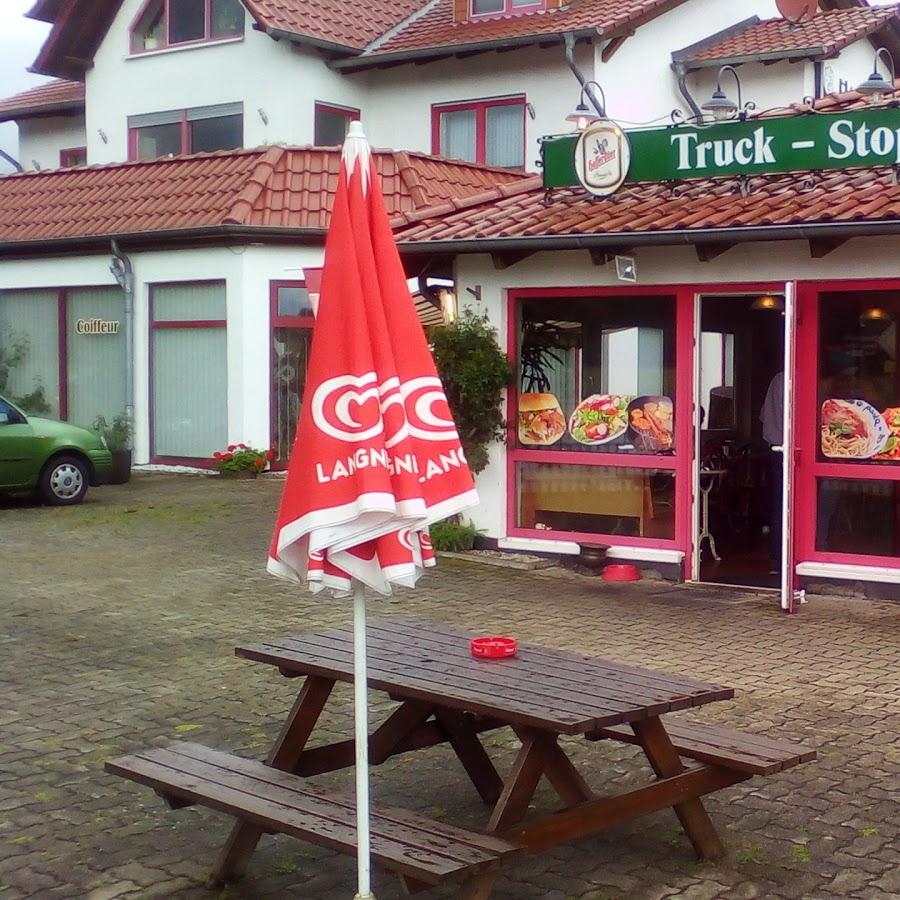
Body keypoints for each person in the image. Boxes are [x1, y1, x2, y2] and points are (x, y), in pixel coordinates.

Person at [760, 370, 784, 574]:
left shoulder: (776, 380)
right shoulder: (798, 379)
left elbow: (764, 416)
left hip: (775, 449)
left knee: (779, 504)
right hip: (791, 451)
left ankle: (776, 559)